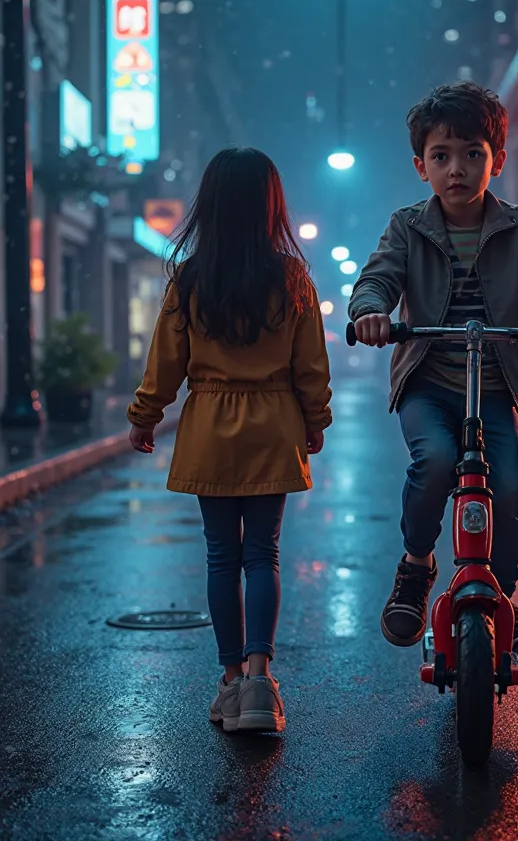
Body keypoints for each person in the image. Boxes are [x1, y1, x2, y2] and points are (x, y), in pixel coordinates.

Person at [348, 81, 518, 672]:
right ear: (420, 166)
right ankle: (414, 567)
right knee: (434, 460)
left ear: (497, 160)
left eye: (472, 154)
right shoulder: (407, 226)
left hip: (492, 388)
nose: (456, 168)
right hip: (430, 384)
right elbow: (377, 278)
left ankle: (504, 598)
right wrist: (370, 312)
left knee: (507, 492)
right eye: (441, 156)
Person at [128, 147, 332, 733]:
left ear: (210, 205)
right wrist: (314, 422)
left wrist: (145, 415)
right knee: (262, 554)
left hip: (210, 426)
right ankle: (261, 684)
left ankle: (230, 681)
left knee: (222, 556)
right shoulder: (292, 279)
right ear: (273, 206)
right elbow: (310, 367)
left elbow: (166, 362)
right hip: (273, 425)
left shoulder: (191, 279)